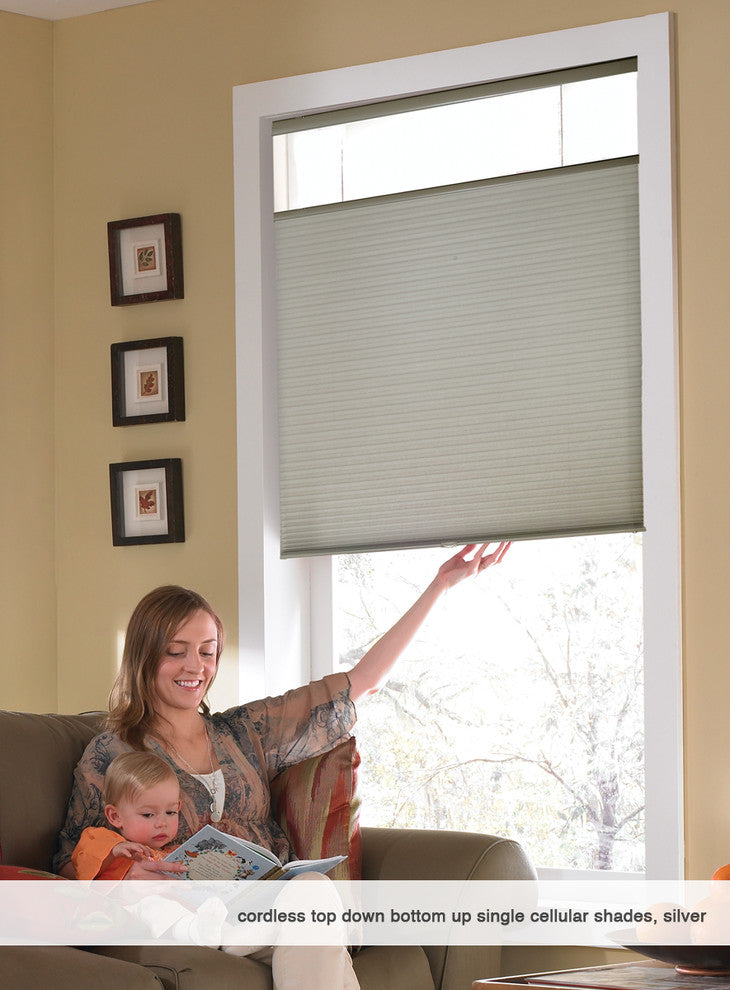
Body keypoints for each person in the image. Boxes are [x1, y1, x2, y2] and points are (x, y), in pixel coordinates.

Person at [54, 541, 509, 989]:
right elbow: (68, 866)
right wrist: (125, 873)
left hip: (264, 910)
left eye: (208, 650)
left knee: (309, 897)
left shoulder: (245, 731)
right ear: (144, 655)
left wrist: (439, 586)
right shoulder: (111, 752)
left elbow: (360, 684)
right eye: (176, 651)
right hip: (189, 917)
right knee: (312, 899)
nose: (195, 665)